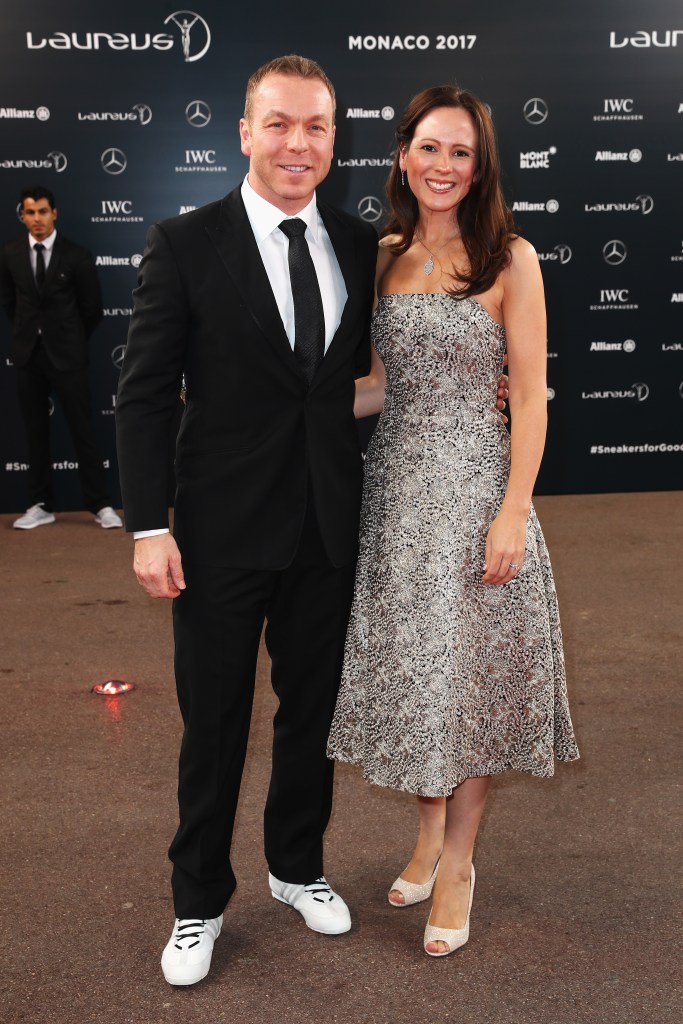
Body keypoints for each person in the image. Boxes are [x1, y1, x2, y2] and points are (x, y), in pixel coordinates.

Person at [115, 55, 380, 987]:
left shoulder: (357, 244)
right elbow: (143, 399)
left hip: (325, 528)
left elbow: (351, 389)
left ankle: (297, 866)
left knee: (310, 714)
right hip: (220, 534)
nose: (297, 144)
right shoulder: (185, 243)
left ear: (333, 138)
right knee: (215, 723)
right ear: (244, 132)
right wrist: (150, 525)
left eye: (315, 127)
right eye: (279, 124)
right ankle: (196, 903)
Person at [327, 86, 579, 958]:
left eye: (461, 153)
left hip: (475, 499)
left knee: (467, 688)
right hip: (394, 498)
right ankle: (428, 835)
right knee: (417, 679)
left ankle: (460, 860)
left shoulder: (510, 257)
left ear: (481, 166)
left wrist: (513, 510)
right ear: (403, 155)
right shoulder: (383, 254)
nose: (443, 166)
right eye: (429, 148)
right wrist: (294, 406)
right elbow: (379, 388)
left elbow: (532, 401)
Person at [0, 186, 122, 530]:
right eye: (29, 212)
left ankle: (100, 504)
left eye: (42, 211)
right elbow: (10, 304)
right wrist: (31, 336)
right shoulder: (9, 254)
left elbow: (92, 310)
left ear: (54, 213)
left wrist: (66, 339)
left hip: (68, 357)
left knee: (84, 431)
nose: (36, 219)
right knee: (35, 433)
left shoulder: (77, 255)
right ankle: (40, 504)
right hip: (28, 357)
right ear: (22, 216)